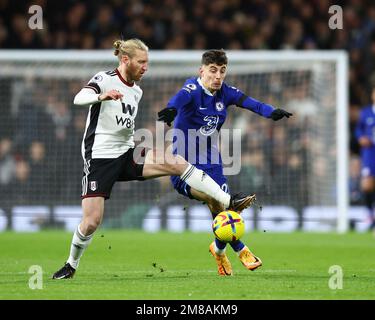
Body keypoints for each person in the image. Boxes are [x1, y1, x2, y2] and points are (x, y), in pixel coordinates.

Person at [52, 40, 255, 279]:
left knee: (175, 162)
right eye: (141, 62)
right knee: (91, 222)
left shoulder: (136, 90)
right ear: (125, 60)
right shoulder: (104, 79)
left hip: (128, 153)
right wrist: (101, 96)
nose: (145, 67)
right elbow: (80, 97)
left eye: (147, 62)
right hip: (100, 158)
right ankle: (71, 265)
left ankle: (227, 200)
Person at [158, 49, 292, 276]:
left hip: (210, 159)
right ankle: (241, 250)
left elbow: (251, 103)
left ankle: (219, 250)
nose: (218, 76)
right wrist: (172, 108)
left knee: (222, 205)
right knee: (218, 200)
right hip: (182, 163)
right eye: (213, 71)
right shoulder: (193, 88)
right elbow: (180, 97)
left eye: (222, 71)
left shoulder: (226, 93)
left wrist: (271, 112)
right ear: (202, 71)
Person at [355, 86, 375, 232]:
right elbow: (358, 130)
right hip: (369, 153)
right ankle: (370, 215)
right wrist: (361, 138)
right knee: (367, 185)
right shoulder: (366, 112)